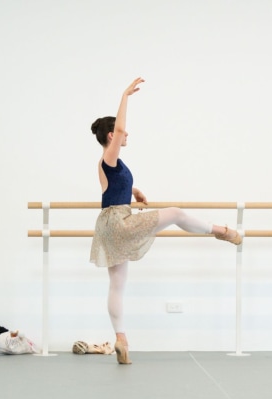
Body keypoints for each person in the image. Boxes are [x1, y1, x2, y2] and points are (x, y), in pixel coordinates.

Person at [89, 77, 242, 365]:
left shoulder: (108, 163)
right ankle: (221, 231)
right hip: (117, 221)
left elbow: (109, 190)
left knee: (117, 284)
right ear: (112, 136)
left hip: (110, 221)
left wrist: (133, 191)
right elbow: (121, 127)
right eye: (121, 134)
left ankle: (121, 339)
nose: (126, 135)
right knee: (175, 213)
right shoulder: (111, 154)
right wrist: (125, 96)